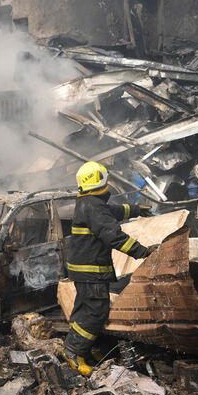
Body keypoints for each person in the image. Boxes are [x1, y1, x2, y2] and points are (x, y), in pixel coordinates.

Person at [62, 161, 154, 376]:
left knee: (84, 309)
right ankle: (74, 352)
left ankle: (81, 348)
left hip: (83, 268)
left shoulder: (88, 202)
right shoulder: (93, 206)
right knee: (96, 311)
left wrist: (136, 209)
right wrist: (141, 252)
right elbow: (112, 234)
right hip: (91, 269)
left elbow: (111, 211)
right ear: (103, 179)